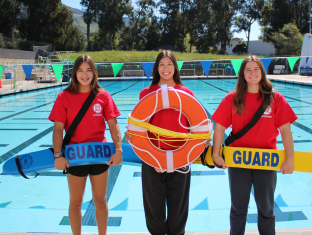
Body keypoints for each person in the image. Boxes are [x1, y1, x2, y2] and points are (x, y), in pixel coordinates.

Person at [211, 55, 297, 235]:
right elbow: (219, 128)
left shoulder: (276, 99)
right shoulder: (232, 99)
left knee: (266, 209)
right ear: (242, 74)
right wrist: (216, 154)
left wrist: (290, 159)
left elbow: (286, 131)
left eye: (256, 69)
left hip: (266, 161)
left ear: (262, 72)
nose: (252, 73)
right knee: (238, 208)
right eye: (248, 70)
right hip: (239, 160)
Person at [126, 50, 209, 235]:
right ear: (156, 68)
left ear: (175, 67)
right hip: (152, 158)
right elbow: (139, 126)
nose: (165, 68)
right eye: (161, 64)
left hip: (181, 158)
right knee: (154, 211)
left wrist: (203, 139)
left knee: (178, 211)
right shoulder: (146, 93)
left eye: (169, 64)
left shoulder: (186, 93)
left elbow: (196, 128)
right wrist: (131, 135)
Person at [49, 55, 122, 235]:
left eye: (88, 70)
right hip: (74, 156)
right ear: (74, 73)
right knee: (75, 201)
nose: (84, 74)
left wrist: (119, 149)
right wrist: (58, 155)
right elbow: (58, 129)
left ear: (94, 72)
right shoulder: (64, 97)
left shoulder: (103, 96)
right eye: (80, 70)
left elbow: (113, 125)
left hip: (99, 154)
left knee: (100, 200)